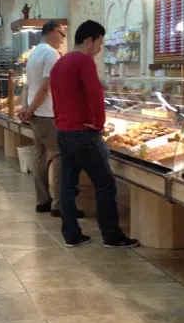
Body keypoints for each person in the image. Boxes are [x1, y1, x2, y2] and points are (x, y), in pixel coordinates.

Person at [50, 20, 139, 249]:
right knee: (105, 184)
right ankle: (112, 236)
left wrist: (60, 122)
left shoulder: (60, 63)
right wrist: (99, 124)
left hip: (64, 131)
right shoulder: (84, 61)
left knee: (67, 186)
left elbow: (56, 98)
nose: (99, 49)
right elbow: (95, 94)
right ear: (89, 41)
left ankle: (71, 235)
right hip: (84, 133)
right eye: (99, 43)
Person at [19, 20, 84, 219]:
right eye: (62, 35)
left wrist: (26, 108)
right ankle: (60, 205)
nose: (63, 40)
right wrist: (30, 109)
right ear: (55, 32)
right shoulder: (51, 54)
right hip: (46, 113)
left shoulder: (34, 53)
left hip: (36, 113)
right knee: (60, 155)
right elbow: (46, 87)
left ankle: (43, 201)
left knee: (39, 154)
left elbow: (28, 86)